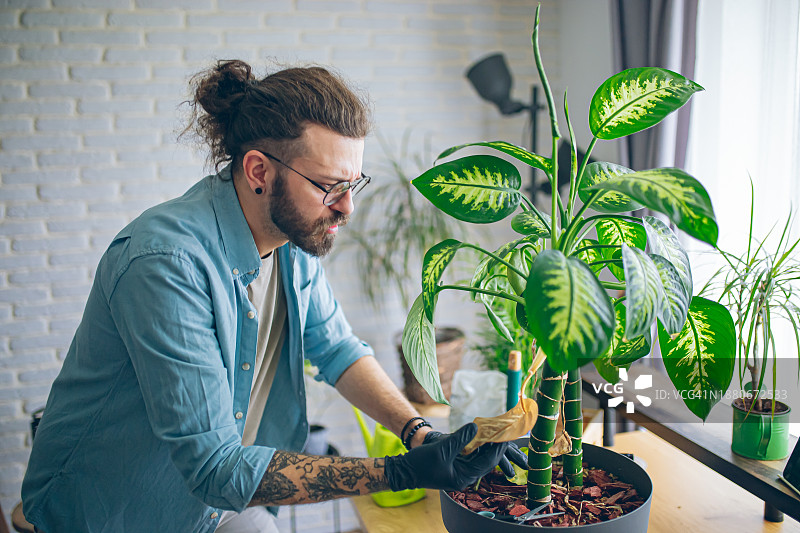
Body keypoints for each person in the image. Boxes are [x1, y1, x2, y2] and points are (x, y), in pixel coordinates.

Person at [21, 60, 526, 533]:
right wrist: (400, 472)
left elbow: (338, 350)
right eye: (330, 186)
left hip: (213, 503)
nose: (347, 208)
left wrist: (418, 433)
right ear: (259, 171)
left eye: (355, 184)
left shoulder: (292, 238)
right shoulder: (165, 264)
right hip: (111, 512)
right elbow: (216, 467)